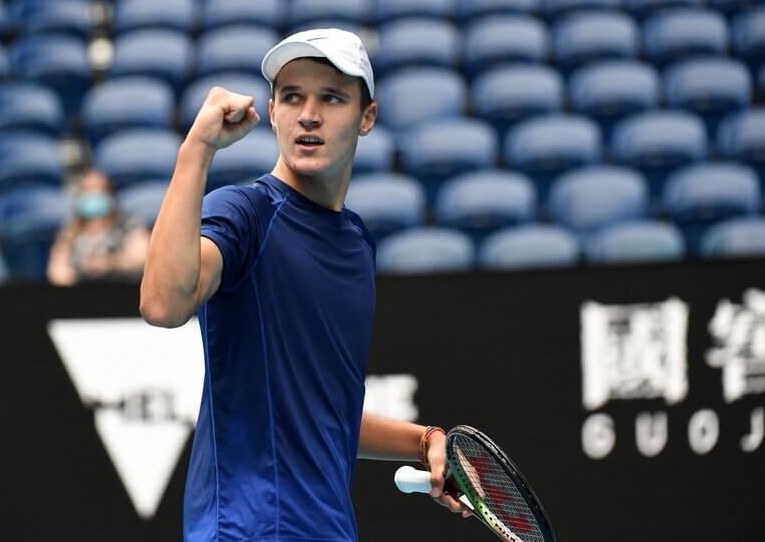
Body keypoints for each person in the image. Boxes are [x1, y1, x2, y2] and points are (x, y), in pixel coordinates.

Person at [140, 29, 470, 541]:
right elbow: (162, 302)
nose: (308, 114)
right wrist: (197, 148)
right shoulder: (245, 213)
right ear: (272, 112)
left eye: (332, 98)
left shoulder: (357, 244)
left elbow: (321, 415)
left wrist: (424, 440)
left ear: (367, 117)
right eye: (292, 97)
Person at [48, 169, 149, 285]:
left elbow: (141, 259)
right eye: (88, 191)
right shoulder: (71, 229)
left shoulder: (130, 223)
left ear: (111, 195)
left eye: (100, 190)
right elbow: (57, 271)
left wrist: (106, 264)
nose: (94, 195)